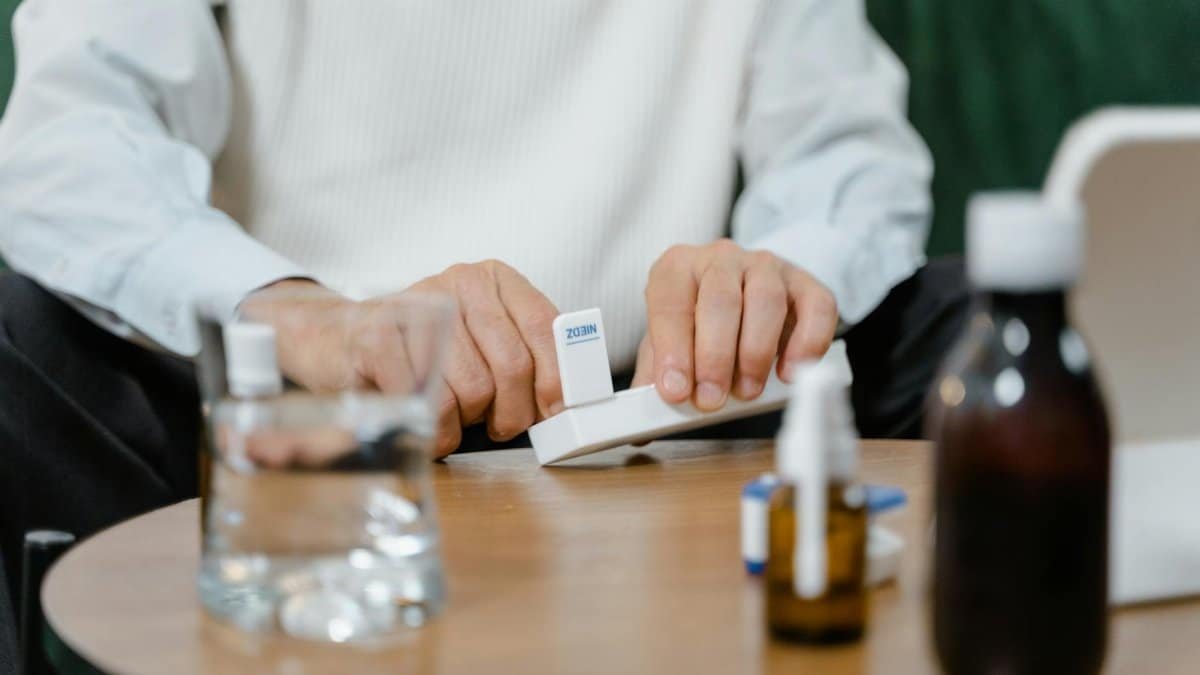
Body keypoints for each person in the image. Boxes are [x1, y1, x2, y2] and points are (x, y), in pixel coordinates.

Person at [0, 0, 967, 663]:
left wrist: (775, 281)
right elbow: (66, 141)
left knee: (994, 331)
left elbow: (844, 150)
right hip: (291, 402)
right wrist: (305, 314)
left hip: (668, 411)